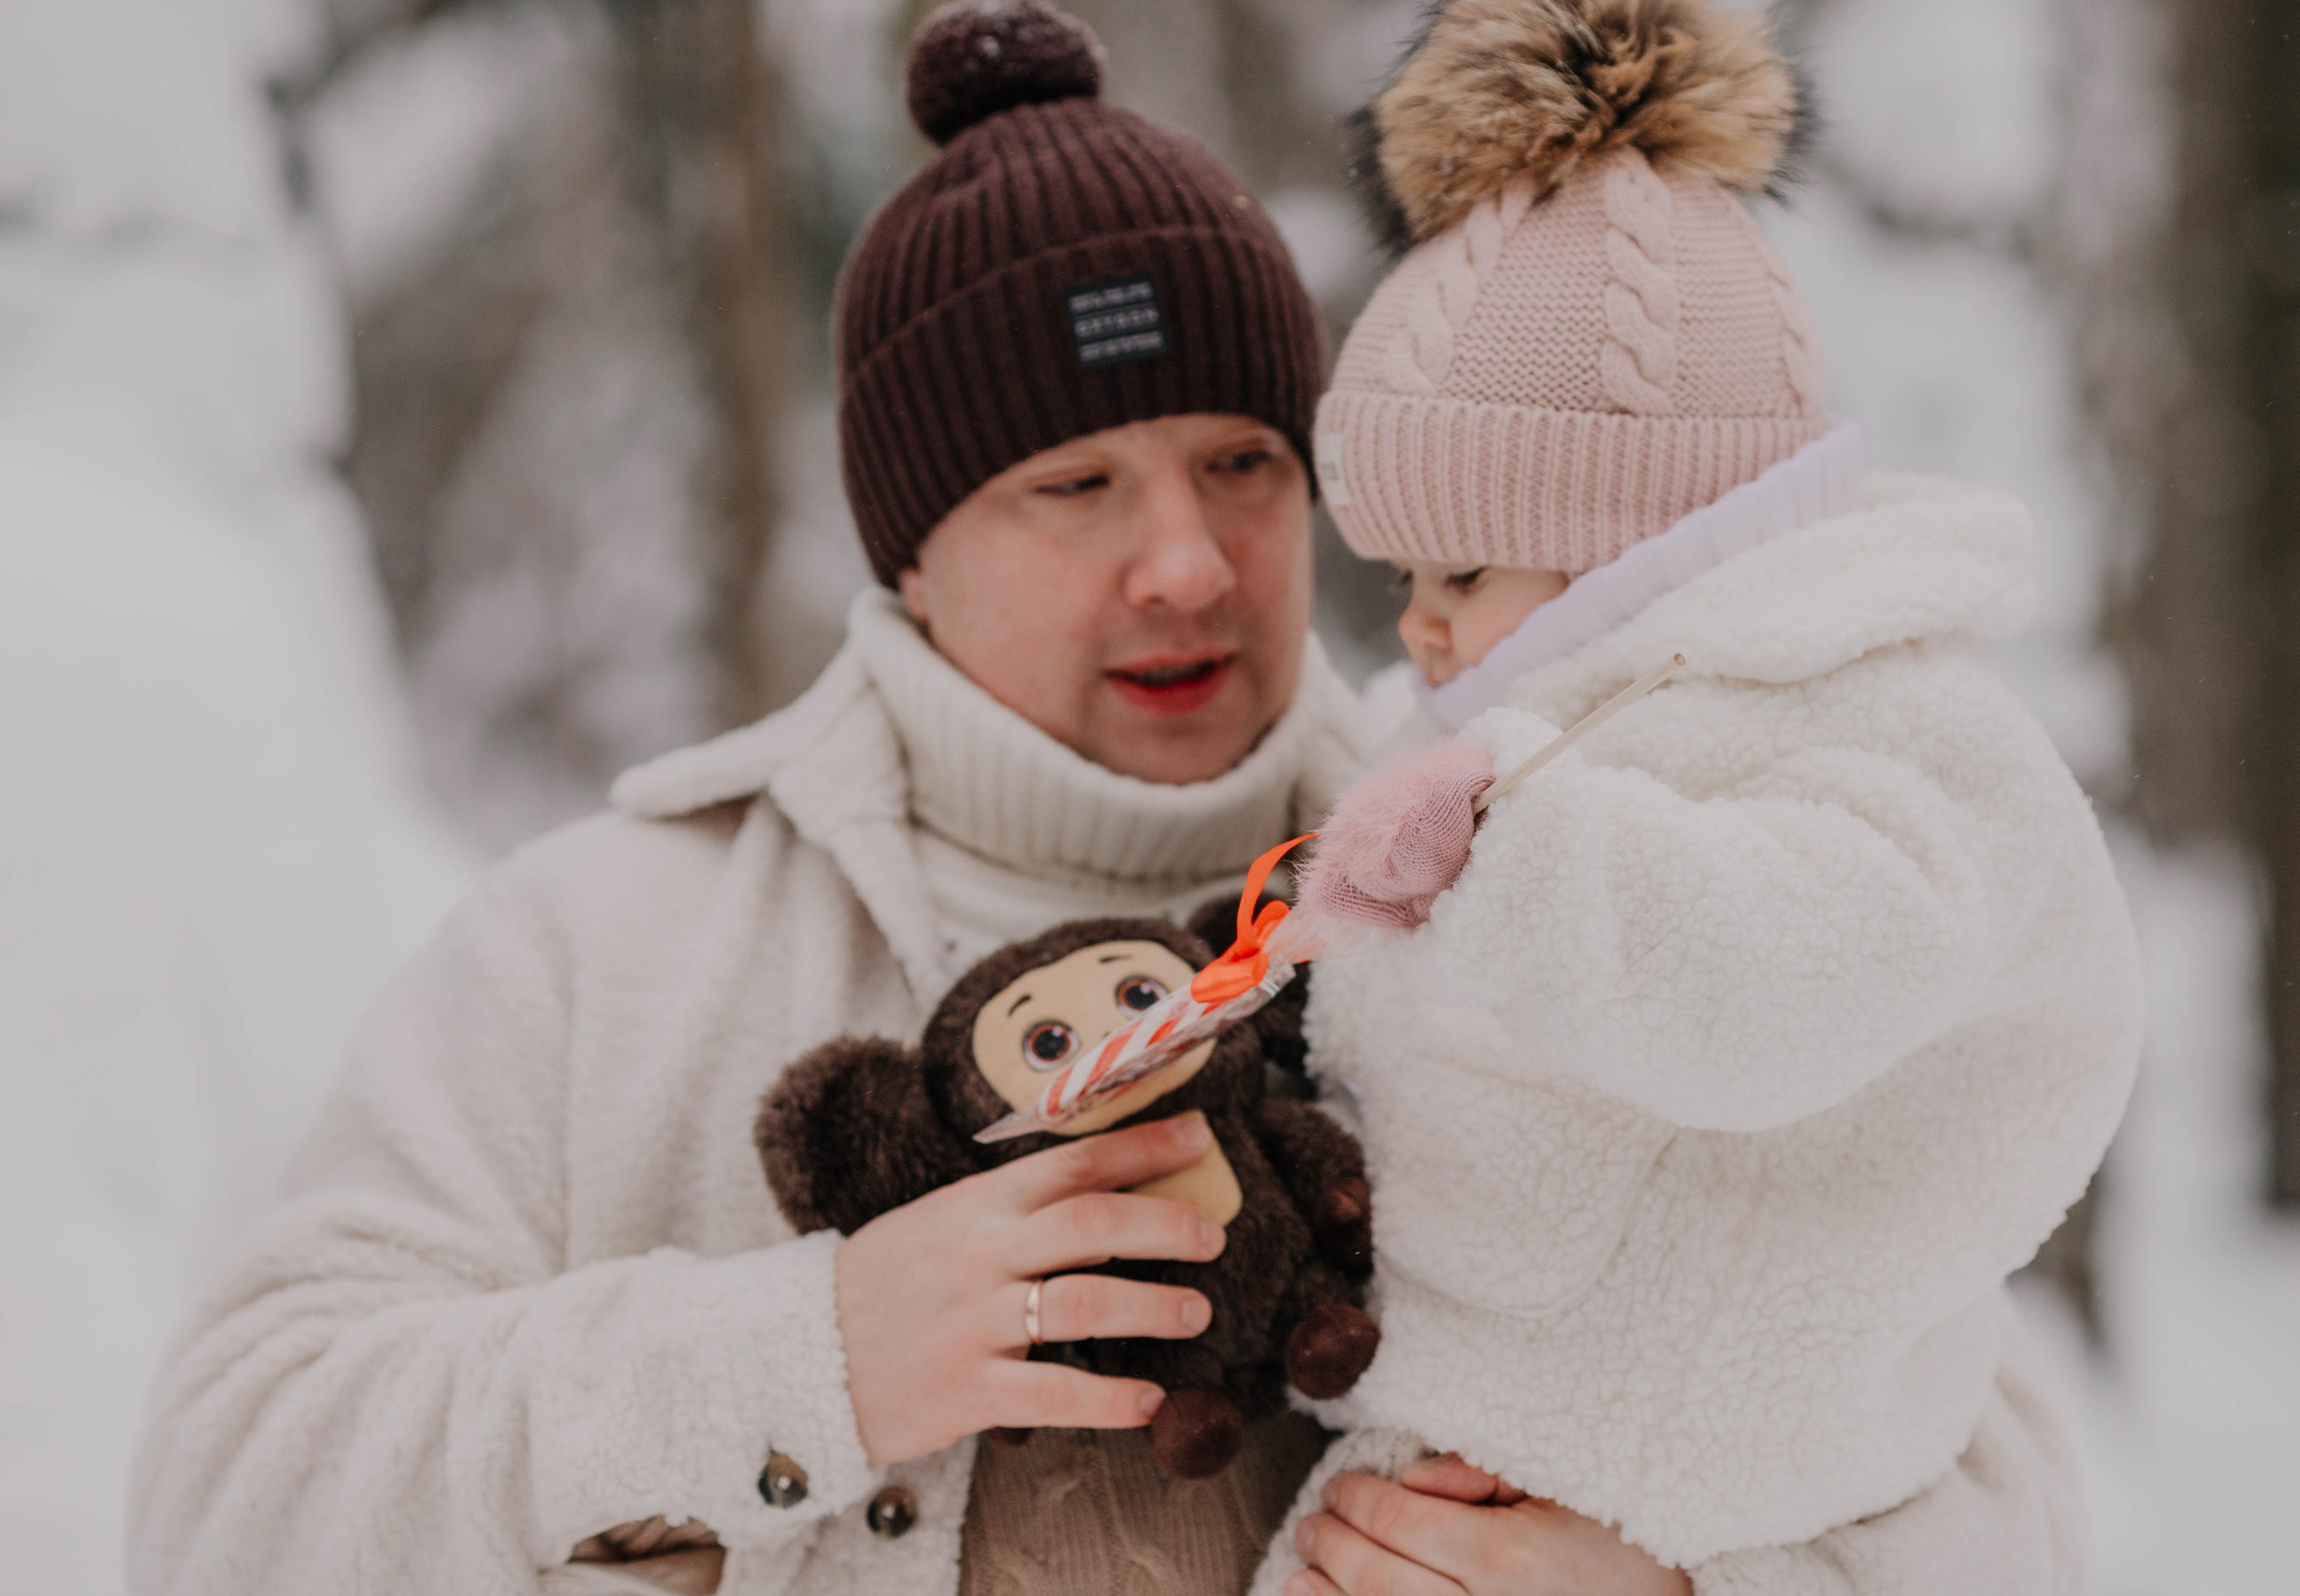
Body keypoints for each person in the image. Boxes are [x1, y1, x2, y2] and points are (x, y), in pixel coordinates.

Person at [128, 6, 2097, 1594]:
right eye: (1073, 487)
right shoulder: (604, 947)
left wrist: (1682, 1588)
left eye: (1240, 464)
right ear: (910, 547)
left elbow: (1984, 1458)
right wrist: (807, 1350)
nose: (1182, 562)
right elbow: (226, 1491)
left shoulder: (1561, 876)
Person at [1257, 1, 2142, 1587]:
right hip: (1423, 1493)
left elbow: (1773, 979)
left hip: (1718, 1511)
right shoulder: (1465, 739)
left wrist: (1511, 842)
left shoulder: (1891, 732)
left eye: (1461, 566)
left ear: (1640, 548)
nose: (1418, 619)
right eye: (1398, 572)